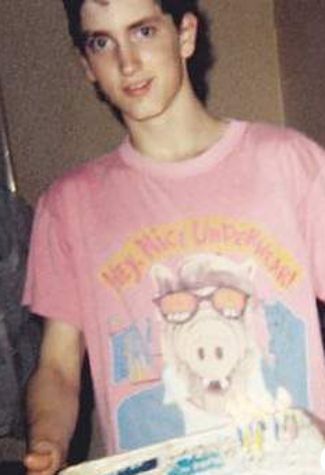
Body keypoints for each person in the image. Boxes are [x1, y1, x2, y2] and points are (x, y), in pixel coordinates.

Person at [23, 0, 325, 474]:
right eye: (102, 42)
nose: (127, 63)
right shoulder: (66, 206)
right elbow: (58, 367)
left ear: (185, 34)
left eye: (143, 32)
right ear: (86, 65)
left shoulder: (291, 163)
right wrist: (47, 439)